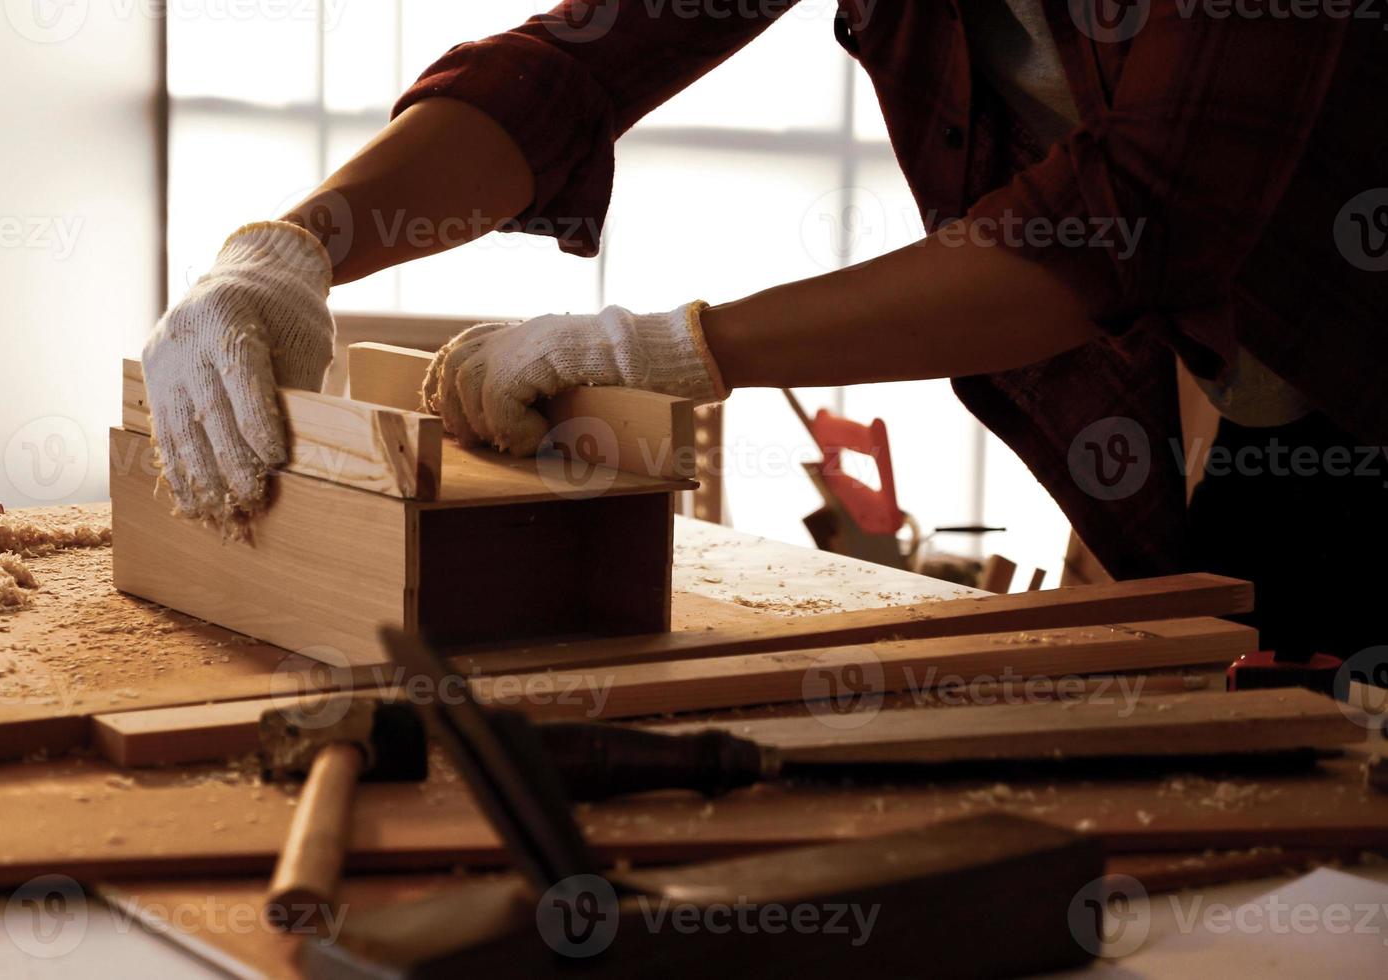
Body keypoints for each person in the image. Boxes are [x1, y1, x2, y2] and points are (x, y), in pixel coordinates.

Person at [142, 2, 1387, 660]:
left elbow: (1130, 211)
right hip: (1229, 395)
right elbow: (577, 66)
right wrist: (289, 250)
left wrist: (664, 351)